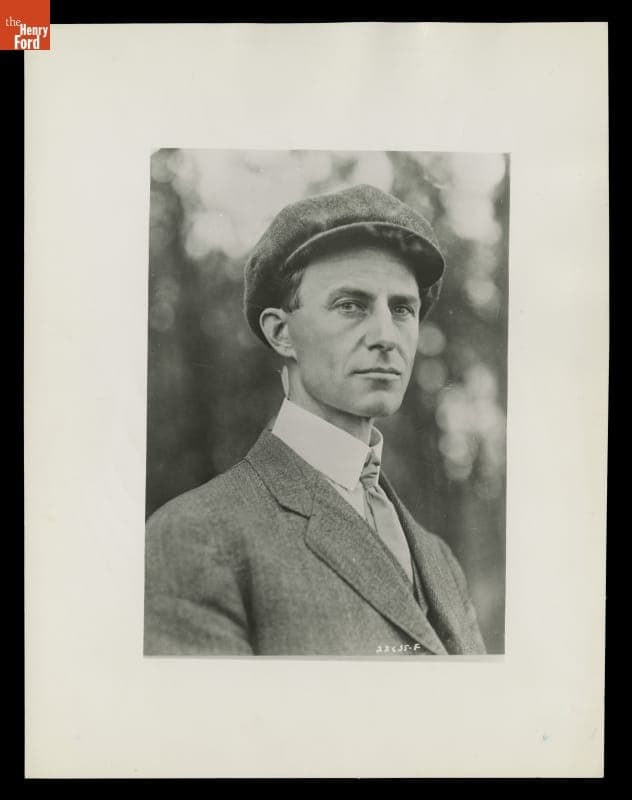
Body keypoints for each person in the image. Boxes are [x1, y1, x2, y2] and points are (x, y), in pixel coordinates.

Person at [144, 183, 487, 656]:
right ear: (282, 333)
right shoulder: (197, 536)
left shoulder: (440, 560)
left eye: (403, 308)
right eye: (352, 305)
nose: (387, 335)